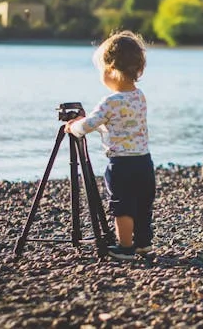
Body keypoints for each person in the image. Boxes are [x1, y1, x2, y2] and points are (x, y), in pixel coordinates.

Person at [65, 31, 155, 261]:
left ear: (111, 70)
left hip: (121, 163)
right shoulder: (139, 96)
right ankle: (143, 243)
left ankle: (125, 247)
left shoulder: (110, 102)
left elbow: (89, 125)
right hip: (144, 160)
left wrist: (73, 126)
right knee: (142, 203)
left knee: (122, 206)